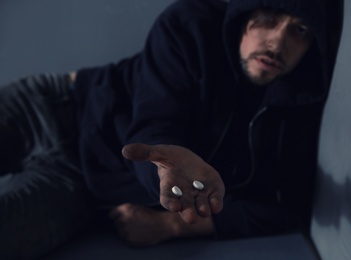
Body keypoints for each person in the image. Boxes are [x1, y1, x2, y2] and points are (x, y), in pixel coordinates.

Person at [0, 0, 330, 258]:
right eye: (269, 18)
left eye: (299, 30)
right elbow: (154, 120)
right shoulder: (192, 24)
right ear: (246, 12)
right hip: (54, 107)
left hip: (81, 185)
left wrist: (172, 224)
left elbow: (287, 207)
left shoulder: (295, 108)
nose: (277, 42)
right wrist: (163, 162)